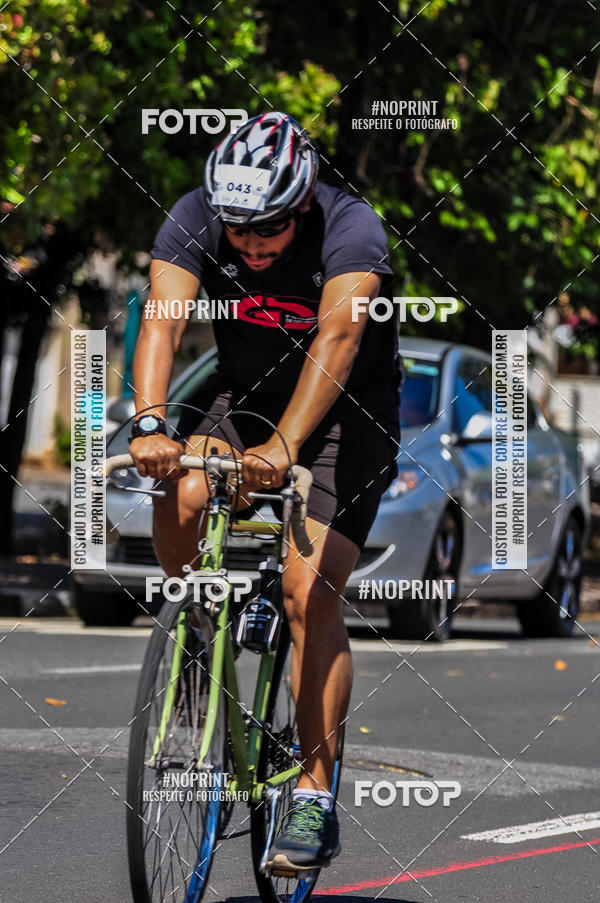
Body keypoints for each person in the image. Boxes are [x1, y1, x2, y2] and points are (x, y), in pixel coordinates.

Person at [129, 111, 401, 870]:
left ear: (304, 204)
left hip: (347, 413)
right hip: (245, 395)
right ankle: (197, 643)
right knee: (181, 493)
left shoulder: (352, 230)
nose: (249, 243)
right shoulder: (195, 216)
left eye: (269, 229)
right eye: (236, 227)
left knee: (307, 590)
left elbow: (339, 340)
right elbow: (163, 316)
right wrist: (150, 422)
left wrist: (288, 447)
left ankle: (313, 797)